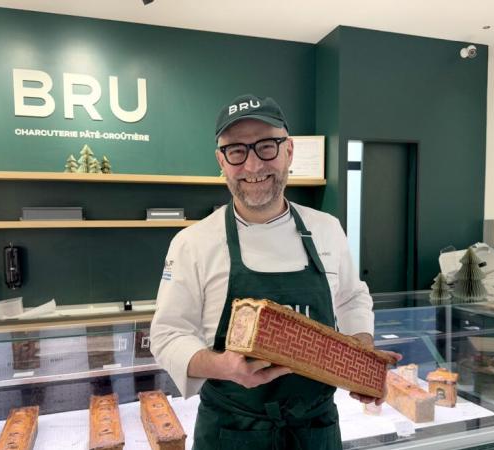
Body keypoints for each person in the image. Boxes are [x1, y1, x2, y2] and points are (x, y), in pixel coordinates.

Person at [150, 94, 400, 450]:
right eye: (236, 151)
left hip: (315, 430)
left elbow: (351, 296)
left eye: (267, 146)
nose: (253, 166)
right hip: (231, 433)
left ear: (289, 151)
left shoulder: (327, 228)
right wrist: (225, 367)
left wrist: (361, 356)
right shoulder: (192, 243)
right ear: (221, 161)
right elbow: (167, 335)